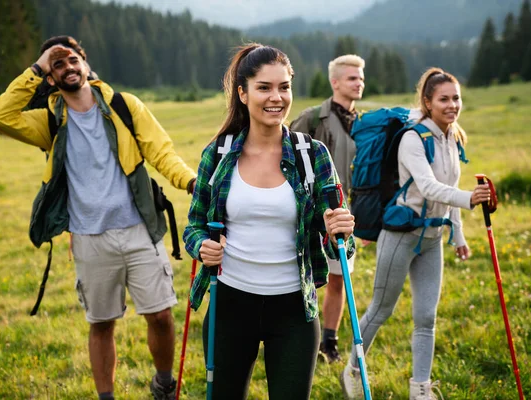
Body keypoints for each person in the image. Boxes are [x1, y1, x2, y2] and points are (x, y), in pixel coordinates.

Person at [0, 35, 197, 400]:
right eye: (57, 64)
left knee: (162, 316)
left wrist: (190, 181)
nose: (67, 67)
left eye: (72, 60)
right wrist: (36, 68)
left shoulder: (124, 106)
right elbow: (1, 116)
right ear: (50, 78)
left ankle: (164, 383)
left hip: (139, 231)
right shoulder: (49, 122)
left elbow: (161, 151)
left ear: (86, 66)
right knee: (101, 324)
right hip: (88, 238)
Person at [183, 43, 356, 399]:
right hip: (229, 303)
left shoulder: (312, 155)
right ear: (242, 93)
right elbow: (194, 226)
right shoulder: (217, 154)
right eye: (264, 87)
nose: (276, 97)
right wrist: (202, 246)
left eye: (284, 87)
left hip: (294, 309)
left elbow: (341, 245)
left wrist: (339, 229)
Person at [340, 67, 491, 399]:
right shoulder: (412, 138)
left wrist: (459, 234)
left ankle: (420, 389)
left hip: (433, 239)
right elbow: (428, 187)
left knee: (426, 317)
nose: (452, 105)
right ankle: (352, 369)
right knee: (381, 309)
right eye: (444, 99)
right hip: (402, 235)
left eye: (456, 98)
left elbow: (448, 186)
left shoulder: (453, 136)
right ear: (427, 101)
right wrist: (469, 200)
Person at [290, 54, 365, 363]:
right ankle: (296, 337)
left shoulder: (363, 124)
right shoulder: (312, 118)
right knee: (302, 278)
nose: (359, 83)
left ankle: (329, 342)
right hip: (310, 215)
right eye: (352, 78)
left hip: (344, 217)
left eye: (361, 78)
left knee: (339, 277)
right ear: (335, 82)